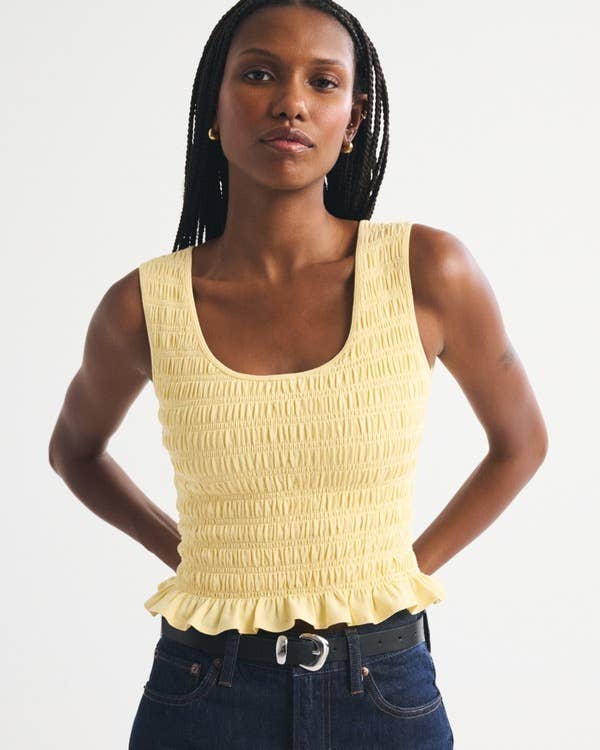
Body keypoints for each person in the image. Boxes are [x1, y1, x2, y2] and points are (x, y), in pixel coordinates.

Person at [48, 1, 548, 748]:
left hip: (383, 690)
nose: (291, 102)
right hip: (203, 693)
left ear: (352, 121)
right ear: (213, 106)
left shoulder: (427, 271)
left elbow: (521, 444)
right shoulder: (143, 305)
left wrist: (398, 571)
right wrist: (191, 553)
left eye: (323, 82)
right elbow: (74, 452)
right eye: (259, 75)